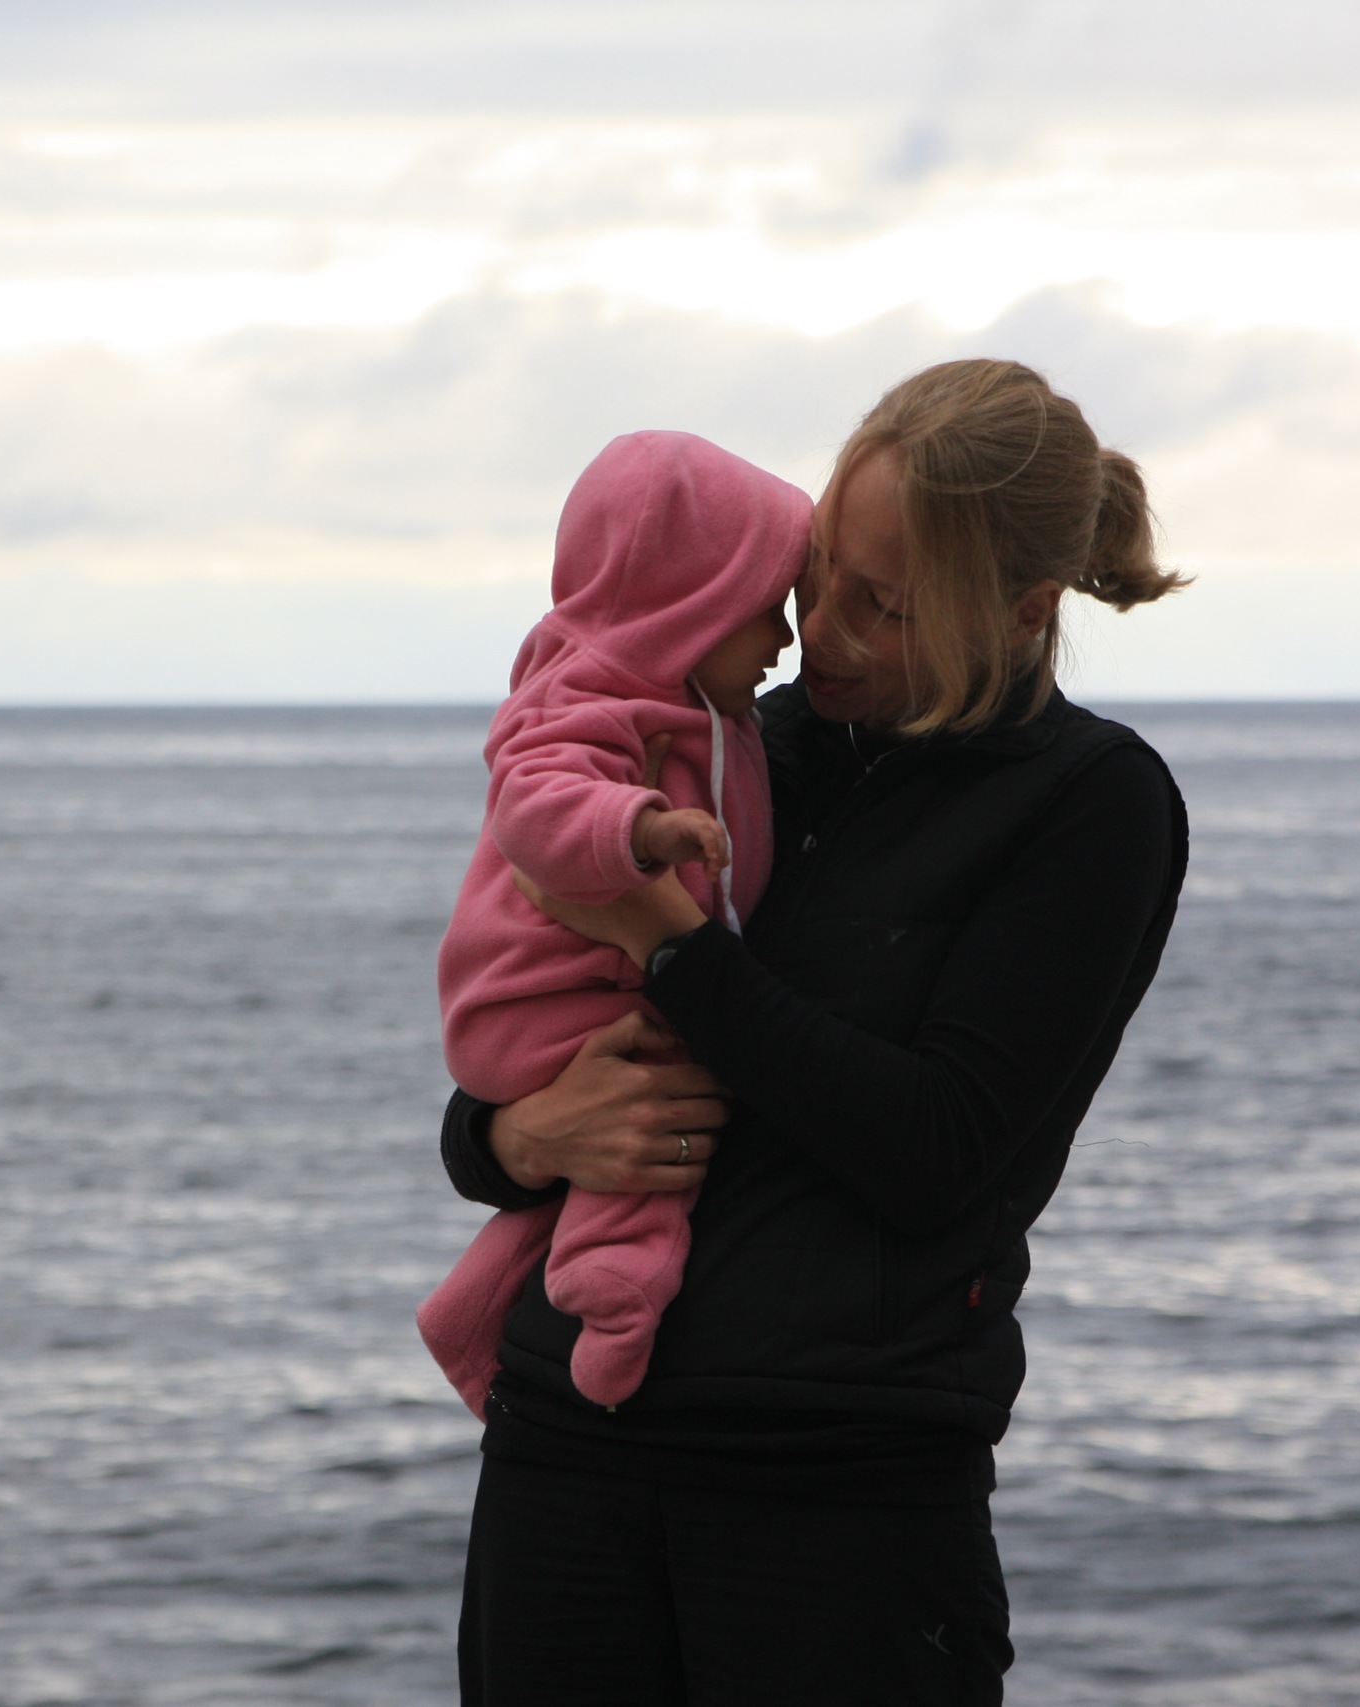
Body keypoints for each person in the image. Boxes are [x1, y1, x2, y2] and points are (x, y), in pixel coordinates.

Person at [436, 359, 1193, 1705]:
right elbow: (542, 1015)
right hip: (564, 1450)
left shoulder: (1091, 804)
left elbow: (934, 1147)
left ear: (1024, 611)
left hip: (838, 1495)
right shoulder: (727, 741)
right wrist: (507, 1139)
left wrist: (671, 945)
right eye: (821, 574)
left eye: (885, 606)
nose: (820, 632)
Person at [420, 430, 812, 1416]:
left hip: (595, 985)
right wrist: (637, 829)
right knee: (666, 1104)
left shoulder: (709, 712)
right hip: (541, 993)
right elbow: (533, 799)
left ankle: (472, 1312)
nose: (786, 640)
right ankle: (615, 1290)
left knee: (630, 1121)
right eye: (765, 608)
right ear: (688, 601)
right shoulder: (586, 689)